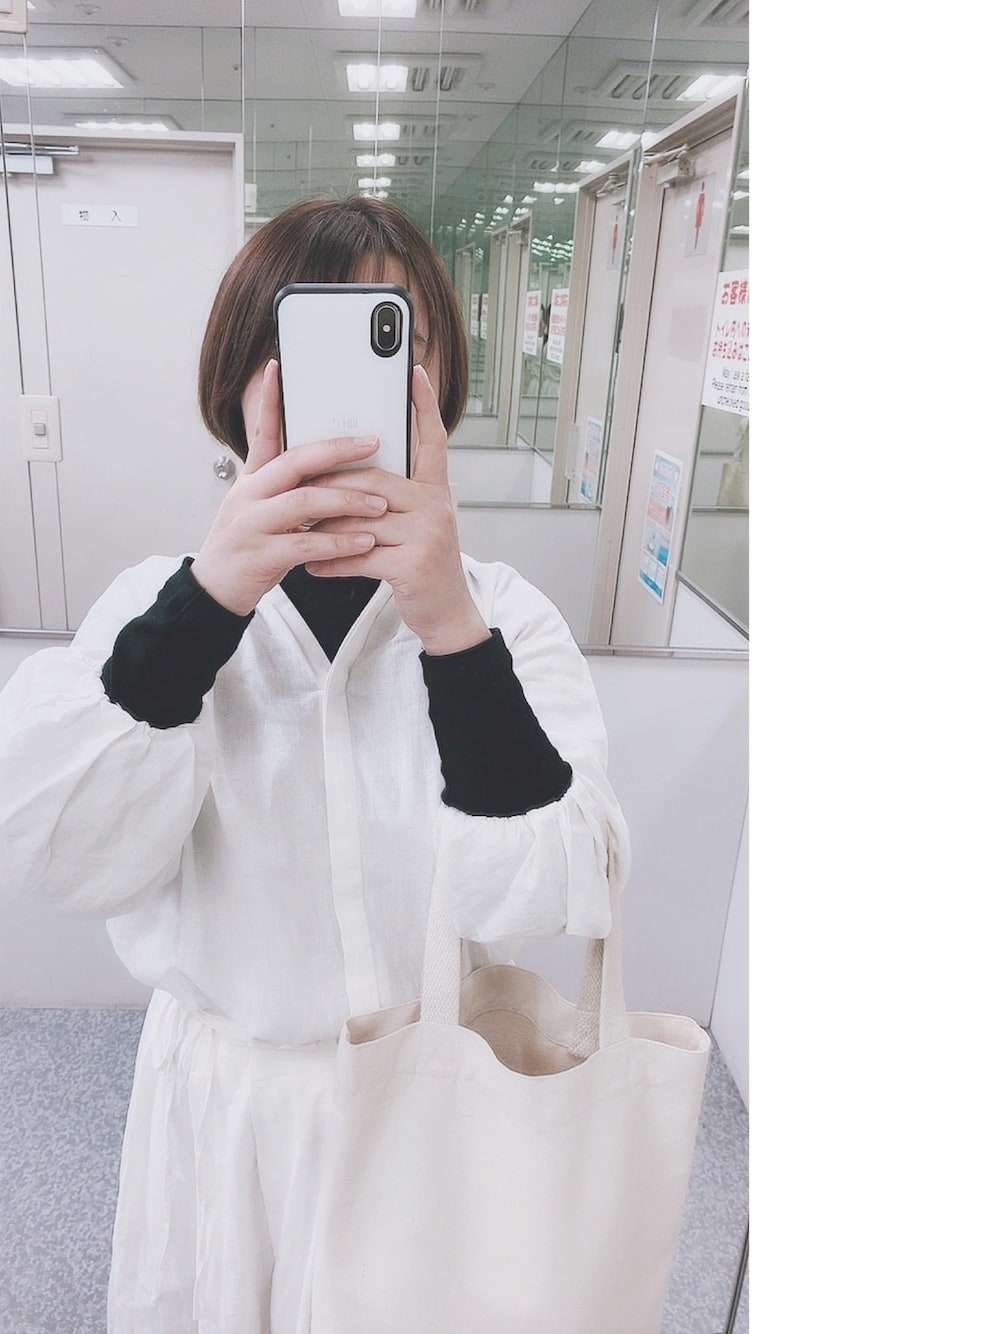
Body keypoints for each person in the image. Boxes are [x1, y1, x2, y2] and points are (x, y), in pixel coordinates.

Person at [0, 194, 629, 1333]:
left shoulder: (506, 616)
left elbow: (548, 892)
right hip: (228, 1115)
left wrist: (450, 626)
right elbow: (55, 855)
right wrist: (206, 605)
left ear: (437, 382)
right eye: (304, 346)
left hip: (436, 1107)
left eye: (393, 345)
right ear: (242, 383)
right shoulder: (151, 607)